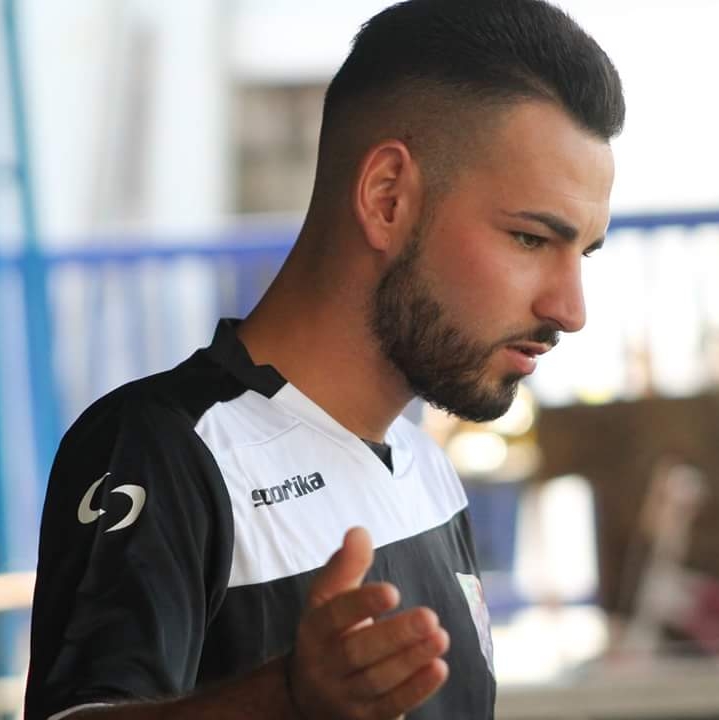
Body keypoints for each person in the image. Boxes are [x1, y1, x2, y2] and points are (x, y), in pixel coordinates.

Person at [25, 0, 625, 718]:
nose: (570, 309)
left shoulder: (422, 462)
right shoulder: (166, 450)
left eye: (583, 253)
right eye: (531, 239)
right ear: (387, 197)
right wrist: (284, 701)